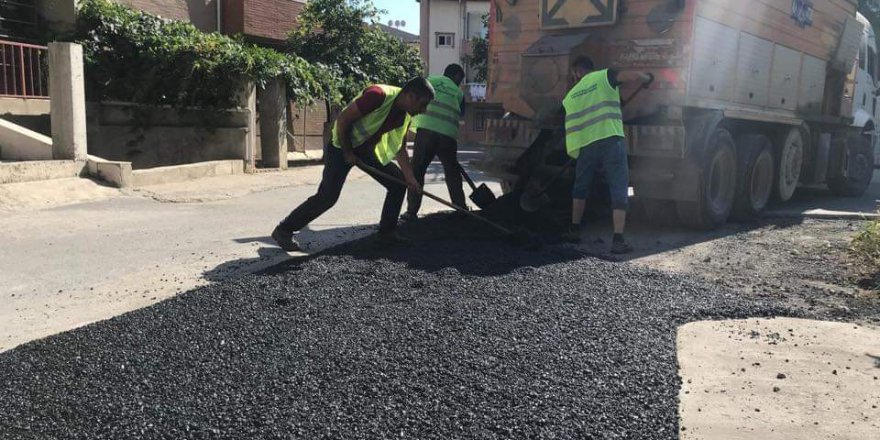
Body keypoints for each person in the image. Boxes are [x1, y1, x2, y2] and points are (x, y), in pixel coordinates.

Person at [271, 78, 435, 252]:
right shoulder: (378, 96)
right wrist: (348, 152)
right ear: (410, 96)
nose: (423, 111)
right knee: (328, 197)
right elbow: (342, 121)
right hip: (341, 146)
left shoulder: (404, 115)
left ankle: (386, 233)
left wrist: (410, 178)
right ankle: (284, 230)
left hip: (365, 151)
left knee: (397, 183)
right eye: (423, 105)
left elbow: (400, 148)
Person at [560, 56, 653, 254]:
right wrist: (645, 77)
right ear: (591, 68)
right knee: (618, 186)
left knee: (581, 186)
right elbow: (629, 76)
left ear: (576, 72)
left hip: (586, 144)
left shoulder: (571, 95)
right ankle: (618, 240)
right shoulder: (605, 76)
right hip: (611, 140)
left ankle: (574, 229)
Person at [401, 64, 467, 221]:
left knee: (417, 170)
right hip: (447, 136)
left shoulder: (429, 80)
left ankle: (411, 212)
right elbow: (462, 114)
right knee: (452, 172)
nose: (460, 83)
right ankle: (461, 208)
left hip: (426, 133)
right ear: (456, 75)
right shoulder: (458, 92)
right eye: (460, 80)